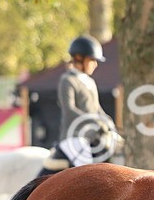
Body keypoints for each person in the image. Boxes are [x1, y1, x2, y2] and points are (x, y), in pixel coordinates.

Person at [38, 34, 119, 176]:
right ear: (79, 59)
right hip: (74, 137)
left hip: (92, 136)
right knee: (88, 174)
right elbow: (70, 110)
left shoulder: (90, 82)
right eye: (92, 60)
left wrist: (108, 121)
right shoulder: (67, 80)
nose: (95, 64)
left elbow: (97, 108)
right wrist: (96, 122)